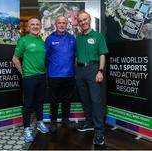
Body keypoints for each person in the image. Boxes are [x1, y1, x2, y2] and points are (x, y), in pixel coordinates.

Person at [12, 18, 49, 142]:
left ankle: (39, 122)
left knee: (39, 101)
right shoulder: (23, 40)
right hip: (29, 77)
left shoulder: (42, 41)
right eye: (32, 24)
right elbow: (15, 58)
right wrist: (23, 73)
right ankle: (27, 128)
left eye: (37, 24)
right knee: (28, 104)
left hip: (42, 76)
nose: (35, 26)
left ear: (41, 26)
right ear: (28, 27)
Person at [75, 11, 108, 145]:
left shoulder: (98, 36)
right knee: (85, 99)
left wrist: (100, 71)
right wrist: (76, 71)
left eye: (85, 19)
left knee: (96, 101)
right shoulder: (78, 38)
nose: (83, 22)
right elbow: (76, 57)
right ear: (78, 23)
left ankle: (99, 132)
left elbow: (102, 54)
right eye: (80, 20)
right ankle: (89, 123)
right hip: (80, 70)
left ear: (89, 20)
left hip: (94, 69)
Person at [45, 15, 76, 132]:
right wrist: (53, 67)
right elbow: (46, 57)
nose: (62, 25)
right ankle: (53, 121)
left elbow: (75, 56)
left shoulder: (72, 38)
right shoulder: (49, 39)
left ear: (67, 24)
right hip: (54, 75)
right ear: (55, 24)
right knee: (53, 99)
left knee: (67, 99)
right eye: (59, 23)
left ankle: (65, 120)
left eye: (64, 23)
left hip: (69, 74)